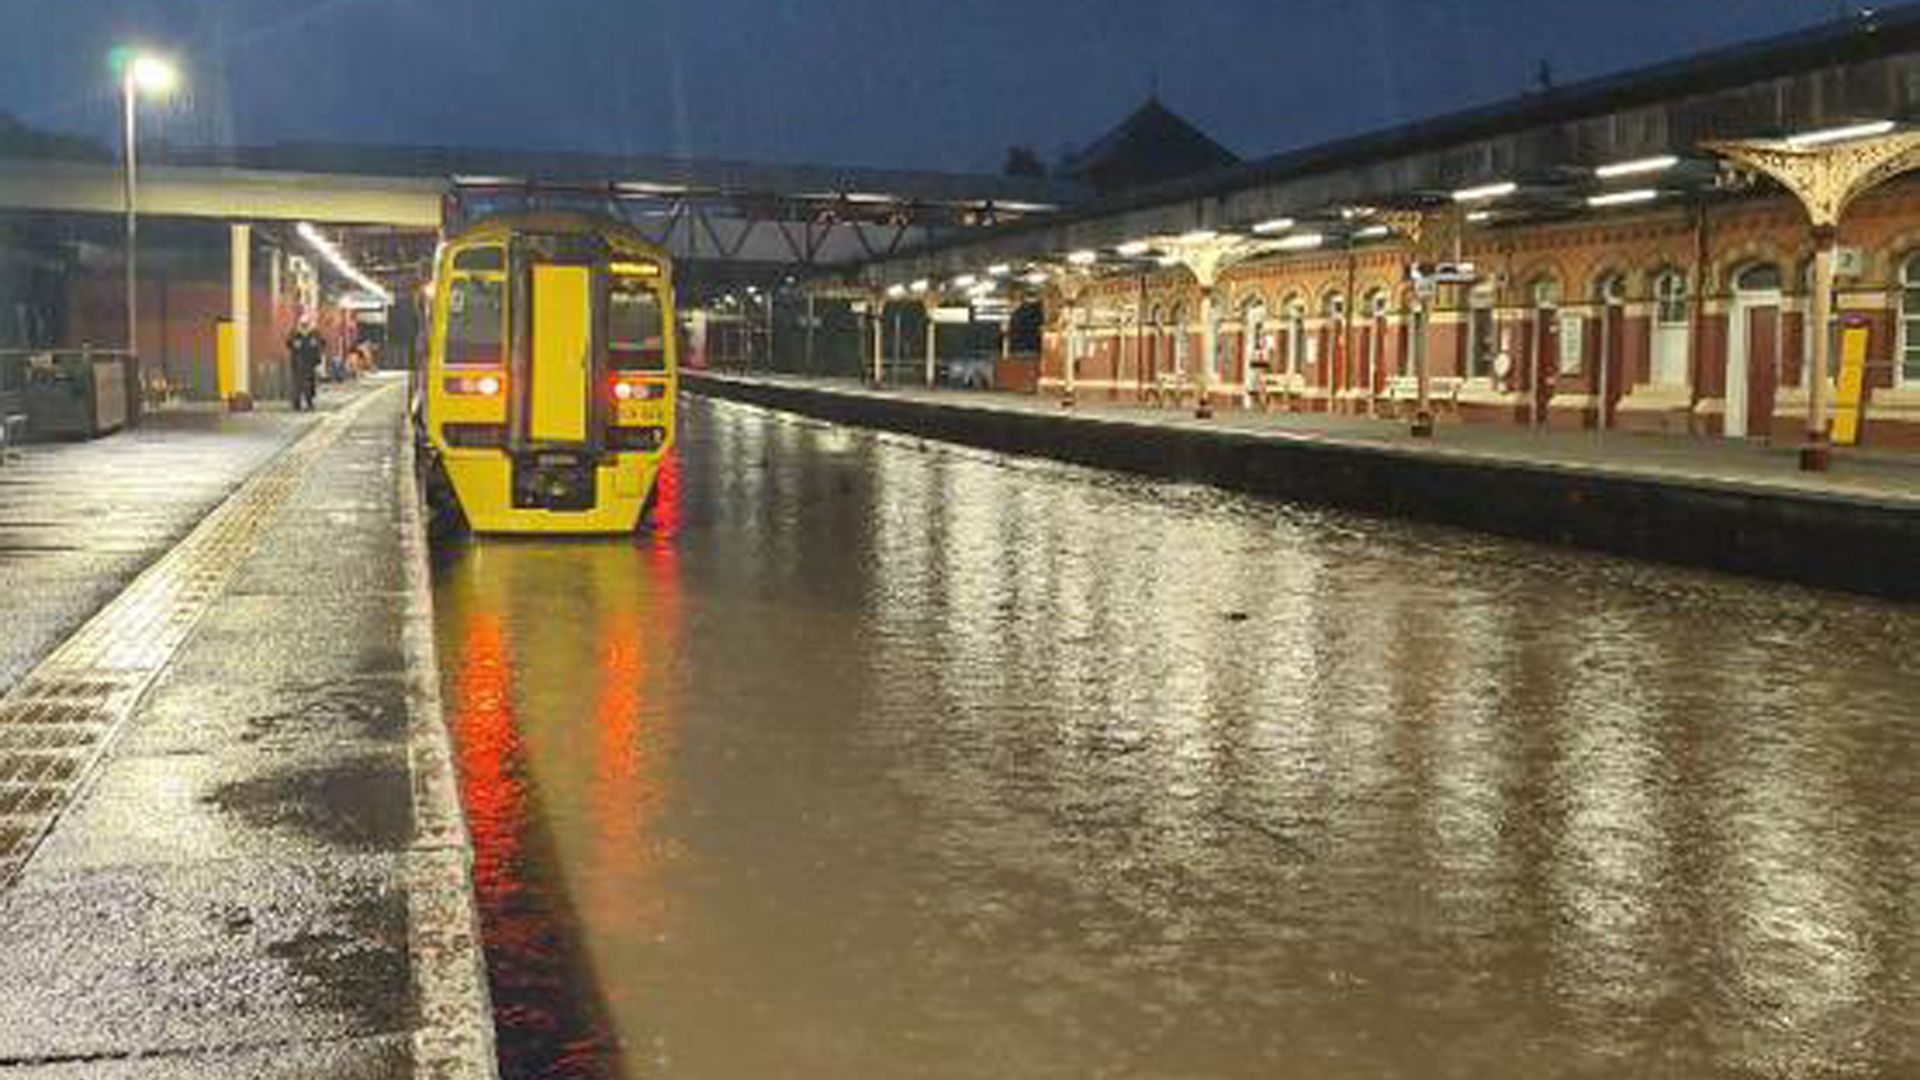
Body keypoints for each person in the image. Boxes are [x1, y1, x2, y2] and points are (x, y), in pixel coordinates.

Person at [286, 317, 323, 411]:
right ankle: (297, 403)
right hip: (298, 363)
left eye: (306, 324)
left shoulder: (314, 334)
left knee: (309, 384)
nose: (304, 326)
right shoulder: (295, 334)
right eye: (303, 324)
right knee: (297, 384)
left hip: (310, 363)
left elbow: (320, 345)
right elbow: (289, 343)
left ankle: (309, 403)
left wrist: (318, 360)